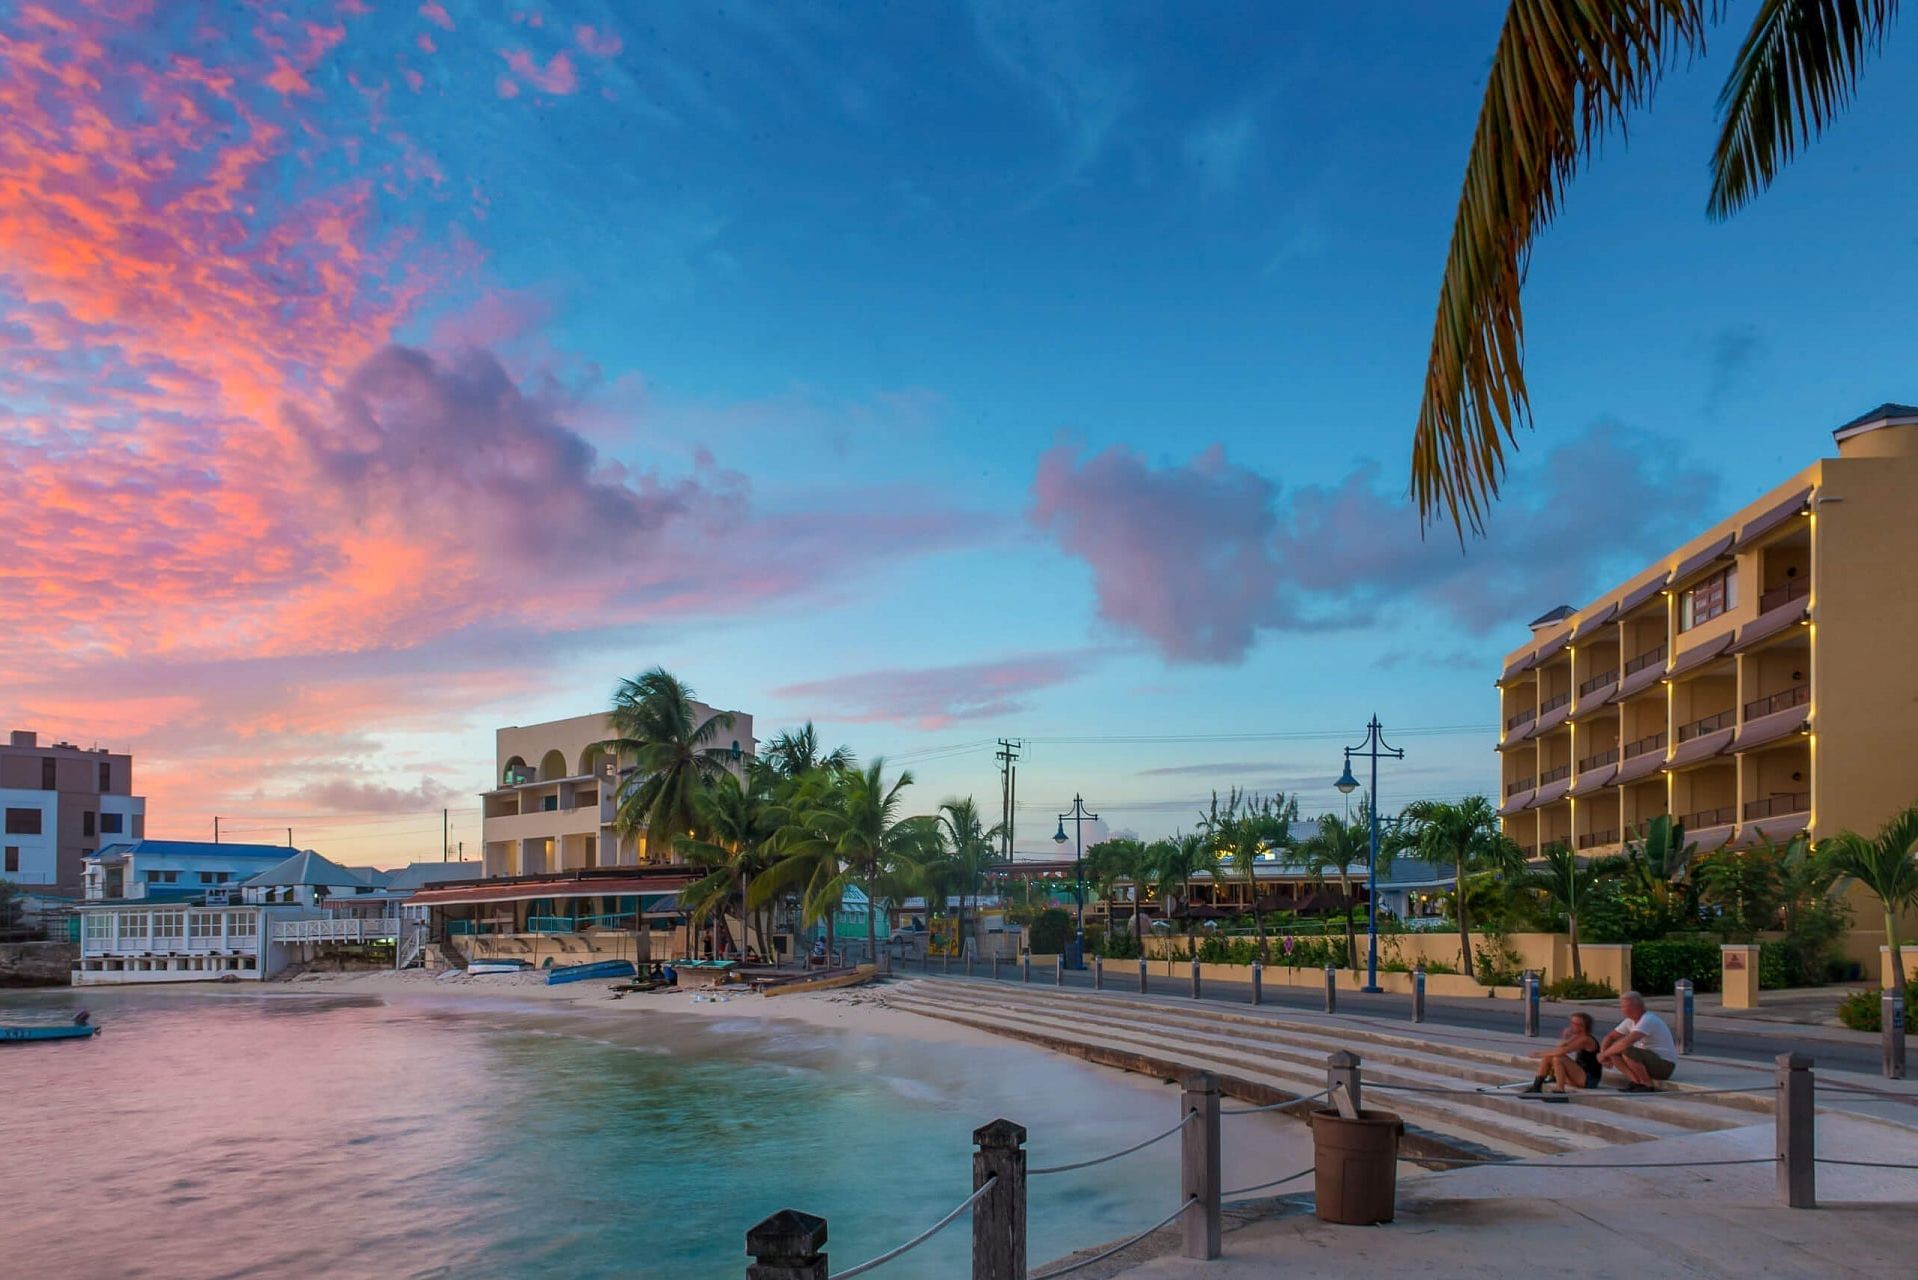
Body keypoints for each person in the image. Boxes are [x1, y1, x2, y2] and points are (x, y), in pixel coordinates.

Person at [1598, 990, 1678, 1092]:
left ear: (1634, 1007)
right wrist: (1603, 1053)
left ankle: (1646, 1084)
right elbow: (1610, 1037)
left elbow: (1625, 1043)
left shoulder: (1648, 1020)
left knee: (1628, 1051)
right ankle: (1636, 1081)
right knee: (1614, 1051)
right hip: (1648, 1059)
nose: (1621, 1009)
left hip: (1664, 1065)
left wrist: (1604, 1055)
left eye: (1624, 1006)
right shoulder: (1629, 1021)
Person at [1525, 1012, 1602, 1092]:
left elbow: (1562, 1052)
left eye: (1574, 1024)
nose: (1571, 1026)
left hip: (1589, 1080)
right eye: (1571, 1023)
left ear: (1582, 1026)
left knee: (1558, 1058)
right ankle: (1537, 1086)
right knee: (1549, 1057)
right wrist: (1565, 1038)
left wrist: (1538, 1054)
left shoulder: (1586, 1039)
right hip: (1579, 1075)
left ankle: (1560, 1090)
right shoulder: (1577, 1036)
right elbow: (1558, 1049)